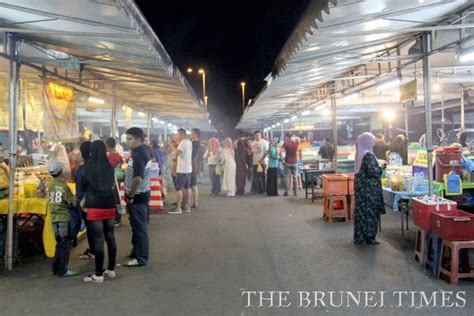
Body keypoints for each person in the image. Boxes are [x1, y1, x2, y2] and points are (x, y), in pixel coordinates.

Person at [81, 141, 118, 283]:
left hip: (94, 205)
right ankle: (111, 270)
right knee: (110, 236)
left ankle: (98, 274)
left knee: (98, 240)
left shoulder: (87, 167)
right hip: (109, 205)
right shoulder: (110, 167)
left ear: (91, 151)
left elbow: (83, 186)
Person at [124, 127, 152, 267]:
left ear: (138, 139)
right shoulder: (138, 152)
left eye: (129, 139)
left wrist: (130, 196)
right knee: (136, 225)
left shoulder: (140, 154)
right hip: (139, 196)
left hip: (138, 197)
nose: (127, 142)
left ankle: (141, 258)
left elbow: (137, 179)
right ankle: (136, 251)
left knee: (140, 227)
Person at [47, 160, 77, 277]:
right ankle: (63, 270)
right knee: (65, 244)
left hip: (54, 218)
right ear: (61, 172)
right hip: (64, 217)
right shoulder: (64, 186)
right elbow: (72, 203)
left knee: (58, 243)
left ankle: (55, 268)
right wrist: (75, 198)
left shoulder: (50, 185)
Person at [353, 132, 385, 245]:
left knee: (361, 213)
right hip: (369, 190)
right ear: (366, 142)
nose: (373, 143)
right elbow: (373, 171)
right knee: (370, 213)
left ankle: (360, 237)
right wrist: (381, 168)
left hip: (361, 189)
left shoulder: (359, 154)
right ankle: (369, 237)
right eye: (371, 141)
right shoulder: (368, 155)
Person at [75, 141, 95, 260]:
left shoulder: (82, 169)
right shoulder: (101, 166)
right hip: (102, 203)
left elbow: (80, 190)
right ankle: (98, 250)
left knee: (91, 228)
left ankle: (93, 251)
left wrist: (77, 200)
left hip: (87, 204)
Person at [168, 128, 193, 214]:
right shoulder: (188, 142)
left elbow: (176, 153)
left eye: (177, 135)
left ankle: (178, 208)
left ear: (182, 135)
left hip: (182, 169)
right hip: (188, 169)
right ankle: (186, 206)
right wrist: (176, 142)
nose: (176, 136)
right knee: (187, 188)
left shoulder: (183, 142)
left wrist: (171, 145)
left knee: (179, 189)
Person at [105, 137, 124, 226]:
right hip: (118, 180)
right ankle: (118, 217)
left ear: (107, 145)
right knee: (118, 199)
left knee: (113, 199)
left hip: (111, 180)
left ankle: (115, 218)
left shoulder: (108, 156)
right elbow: (121, 164)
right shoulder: (118, 155)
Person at [190, 128, 204, 208]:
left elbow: (193, 156)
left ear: (196, 135)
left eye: (191, 133)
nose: (190, 134)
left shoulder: (195, 144)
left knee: (193, 185)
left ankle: (195, 203)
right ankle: (194, 203)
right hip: (194, 166)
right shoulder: (196, 143)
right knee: (193, 185)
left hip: (192, 166)